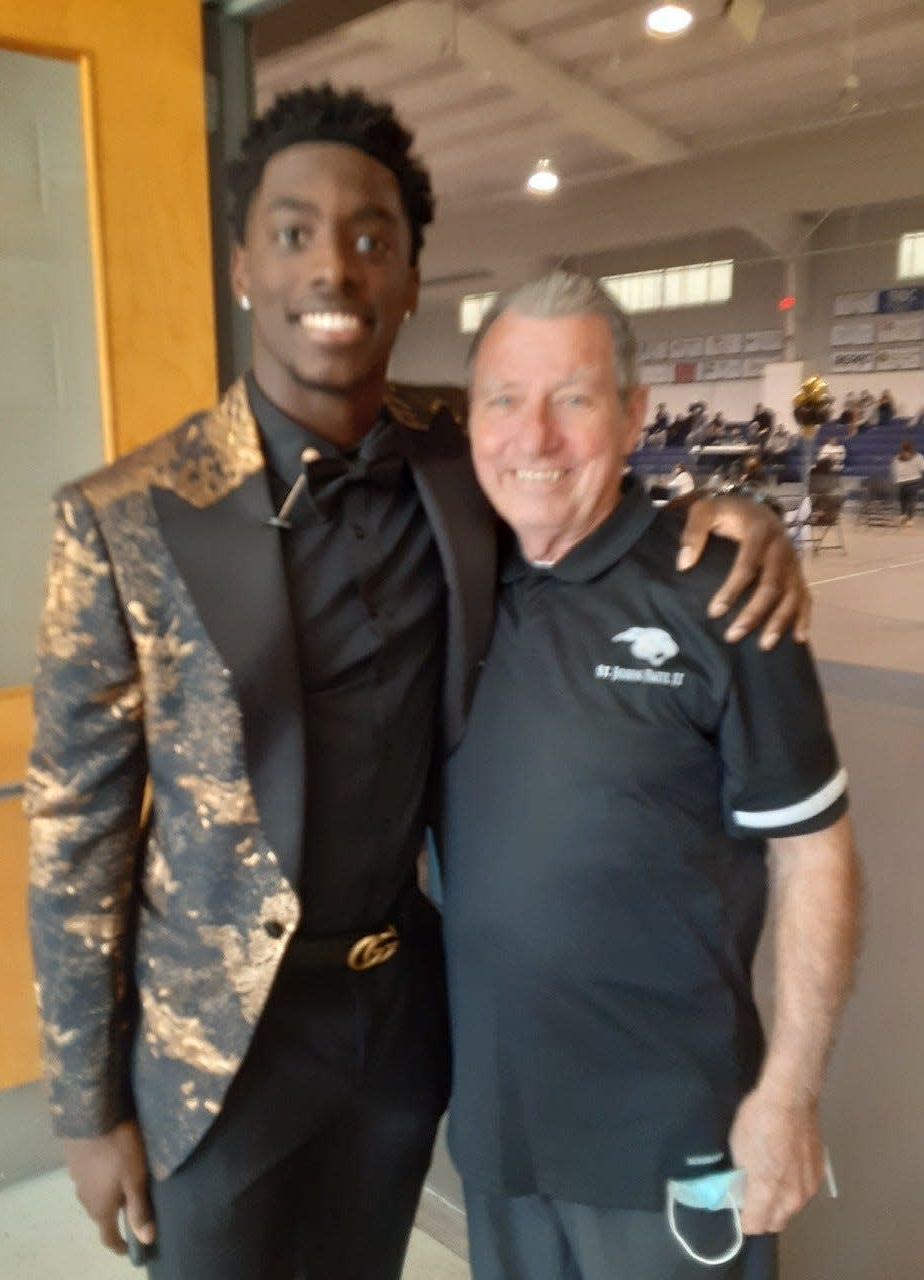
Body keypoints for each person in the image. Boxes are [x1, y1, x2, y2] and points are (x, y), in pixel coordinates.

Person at [25, 88, 807, 1280]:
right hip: (217, 1056)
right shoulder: (124, 517)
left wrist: (731, 512)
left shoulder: (461, 447)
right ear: (243, 266)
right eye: (293, 232)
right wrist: (84, 1107)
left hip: (402, 1021)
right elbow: (74, 836)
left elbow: (574, 452)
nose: (332, 266)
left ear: (407, 277)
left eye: (371, 238)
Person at [440, 273, 860, 1280]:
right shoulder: (447, 579)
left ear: (633, 414)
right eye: (503, 398)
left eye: (574, 398)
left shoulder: (722, 594)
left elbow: (816, 858)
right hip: (500, 1137)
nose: (532, 436)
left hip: (675, 1145)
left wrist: (790, 1090)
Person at [891, 438, 924, 524]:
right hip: (914, 481)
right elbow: (923, 468)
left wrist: (897, 480)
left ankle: (903, 514)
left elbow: (894, 470)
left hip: (901, 482)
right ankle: (910, 518)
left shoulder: (897, 458)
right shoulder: (918, 457)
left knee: (903, 499)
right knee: (912, 500)